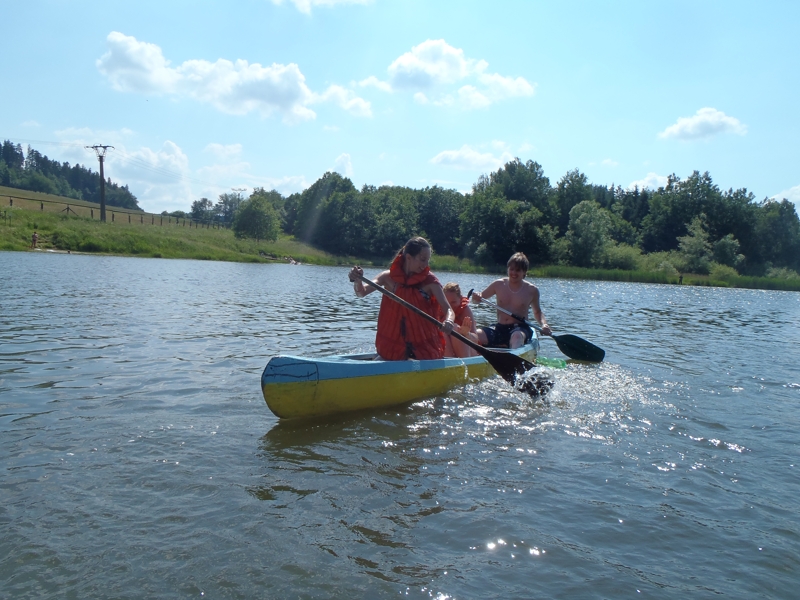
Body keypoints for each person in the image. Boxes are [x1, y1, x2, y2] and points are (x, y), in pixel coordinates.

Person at [349, 237, 455, 361]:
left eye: (427, 260)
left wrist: (449, 321)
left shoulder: (431, 282)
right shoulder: (387, 278)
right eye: (422, 260)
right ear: (409, 257)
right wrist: (357, 280)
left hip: (424, 352)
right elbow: (361, 293)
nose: (426, 265)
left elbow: (448, 309)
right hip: (393, 350)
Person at [470, 252, 552, 348]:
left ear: (524, 272)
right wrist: (476, 297)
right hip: (499, 328)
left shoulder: (532, 290)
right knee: (475, 335)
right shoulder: (498, 284)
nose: (513, 273)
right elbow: (476, 301)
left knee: (516, 336)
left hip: (520, 329)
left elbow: (537, 312)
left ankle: (514, 358)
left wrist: (544, 324)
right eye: (511, 269)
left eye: (517, 270)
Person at [442, 282, 478, 358]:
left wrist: (466, 334)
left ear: (460, 299)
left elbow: (476, 340)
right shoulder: (439, 309)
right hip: (449, 352)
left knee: (454, 328)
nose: (450, 306)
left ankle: (464, 366)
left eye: (453, 302)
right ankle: (449, 363)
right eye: (447, 303)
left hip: (470, 351)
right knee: (442, 330)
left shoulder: (465, 310)